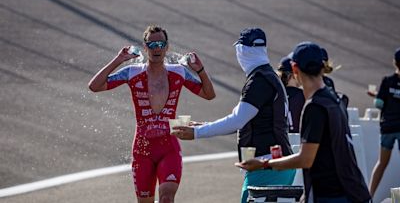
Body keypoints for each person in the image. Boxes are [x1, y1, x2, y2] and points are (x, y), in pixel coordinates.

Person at [88, 25, 215, 203]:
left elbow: (209, 95)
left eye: (161, 44)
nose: (157, 48)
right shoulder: (132, 72)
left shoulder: (179, 71)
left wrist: (200, 70)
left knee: (166, 198)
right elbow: (94, 86)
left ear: (167, 47)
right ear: (145, 47)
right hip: (142, 149)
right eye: (152, 44)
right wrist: (119, 59)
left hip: (168, 148)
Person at [236, 42, 371, 203]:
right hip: (353, 191)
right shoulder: (335, 99)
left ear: (295, 69)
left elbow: (305, 159)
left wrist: (263, 164)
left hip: (334, 195)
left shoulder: (315, 107)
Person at [172, 27, 295, 203]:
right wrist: (202, 125)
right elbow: (244, 119)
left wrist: (197, 133)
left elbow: (237, 120)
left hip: (267, 167)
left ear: (241, 50)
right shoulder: (267, 76)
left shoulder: (259, 81)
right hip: (273, 165)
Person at [367, 48, 400, 198]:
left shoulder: (387, 81)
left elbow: (379, 103)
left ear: (395, 63)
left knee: (381, 163)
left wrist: (379, 95)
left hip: (387, 127)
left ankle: (369, 195)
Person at [277, 56, 305, 133]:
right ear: (292, 75)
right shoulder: (303, 96)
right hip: (299, 141)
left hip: (280, 141)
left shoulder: (275, 95)